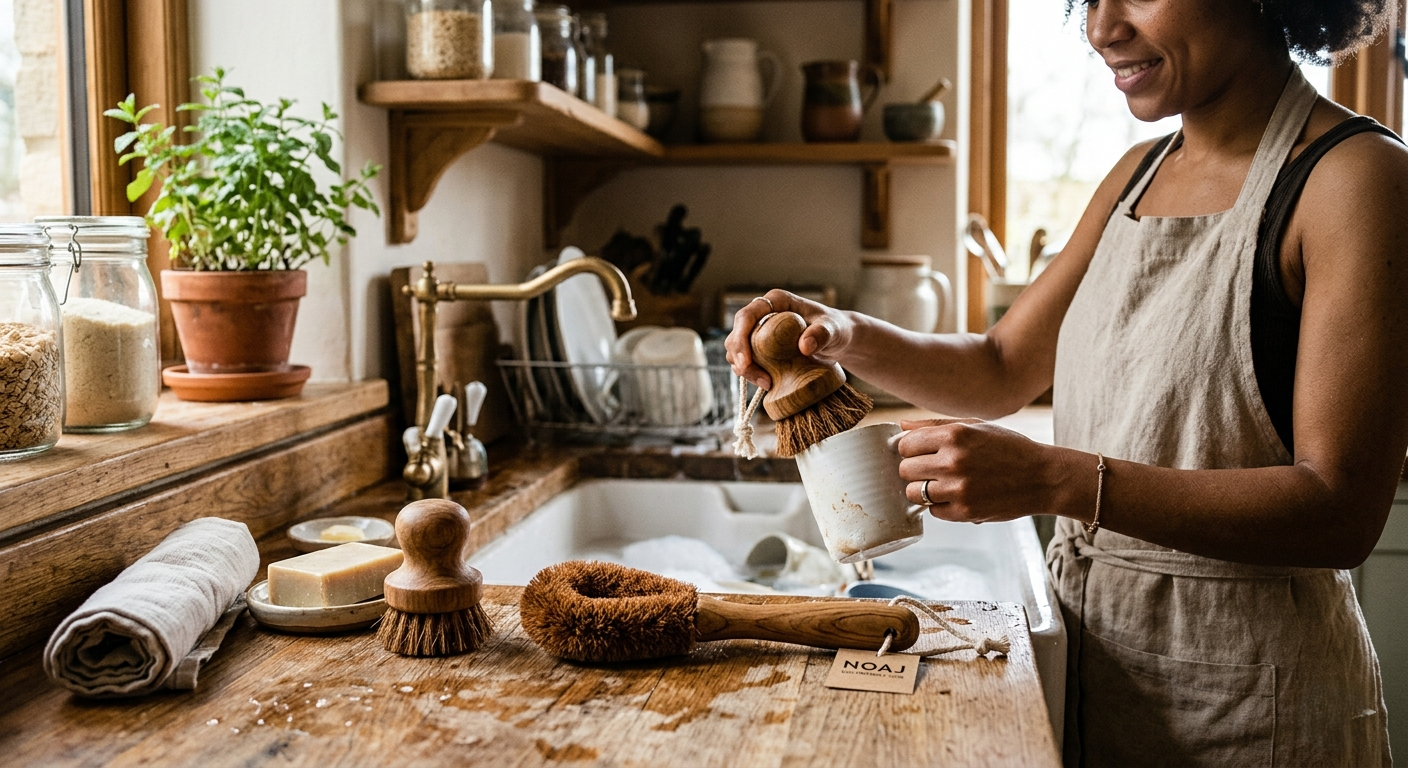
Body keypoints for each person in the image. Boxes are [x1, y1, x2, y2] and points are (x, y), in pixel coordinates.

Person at [726, 0, 1407, 763]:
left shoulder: (1357, 178)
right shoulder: (1138, 173)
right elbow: (1000, 367)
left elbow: (1340, 510)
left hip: (1258, 699)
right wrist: (842, 334)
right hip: (1095, 662)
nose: (1101, 28)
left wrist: (1059, 481)